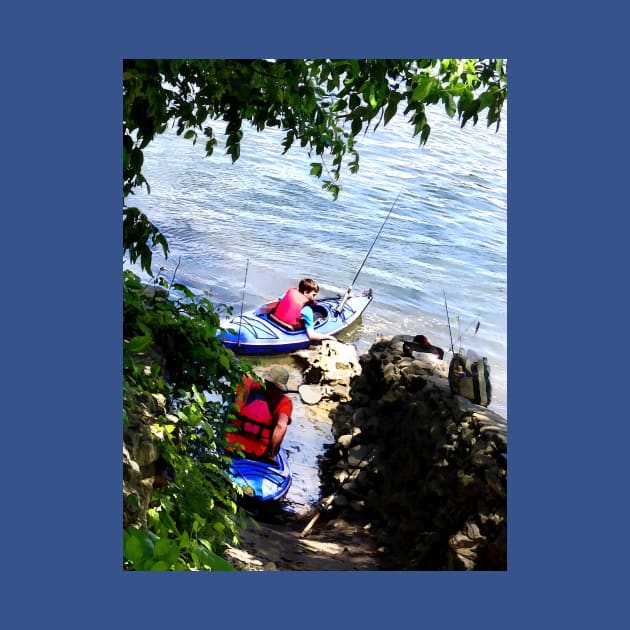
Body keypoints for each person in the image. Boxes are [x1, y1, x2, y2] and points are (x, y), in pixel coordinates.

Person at [226, 366, 293, 461]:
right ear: (281, 386)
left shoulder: (245, 383)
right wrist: (271, 455)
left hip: (230, 445)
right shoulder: (284, 402)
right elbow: (281, 426)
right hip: (257, 452)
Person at [272, 278, 336, 342]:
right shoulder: (307, 310)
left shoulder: (287, 294)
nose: (315, 298)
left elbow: (272, 303)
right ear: (305, 292)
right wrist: (329, 337)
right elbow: (311, 336)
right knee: (317, 315)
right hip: (289, 328)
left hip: (275, 320)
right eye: (313, 295)